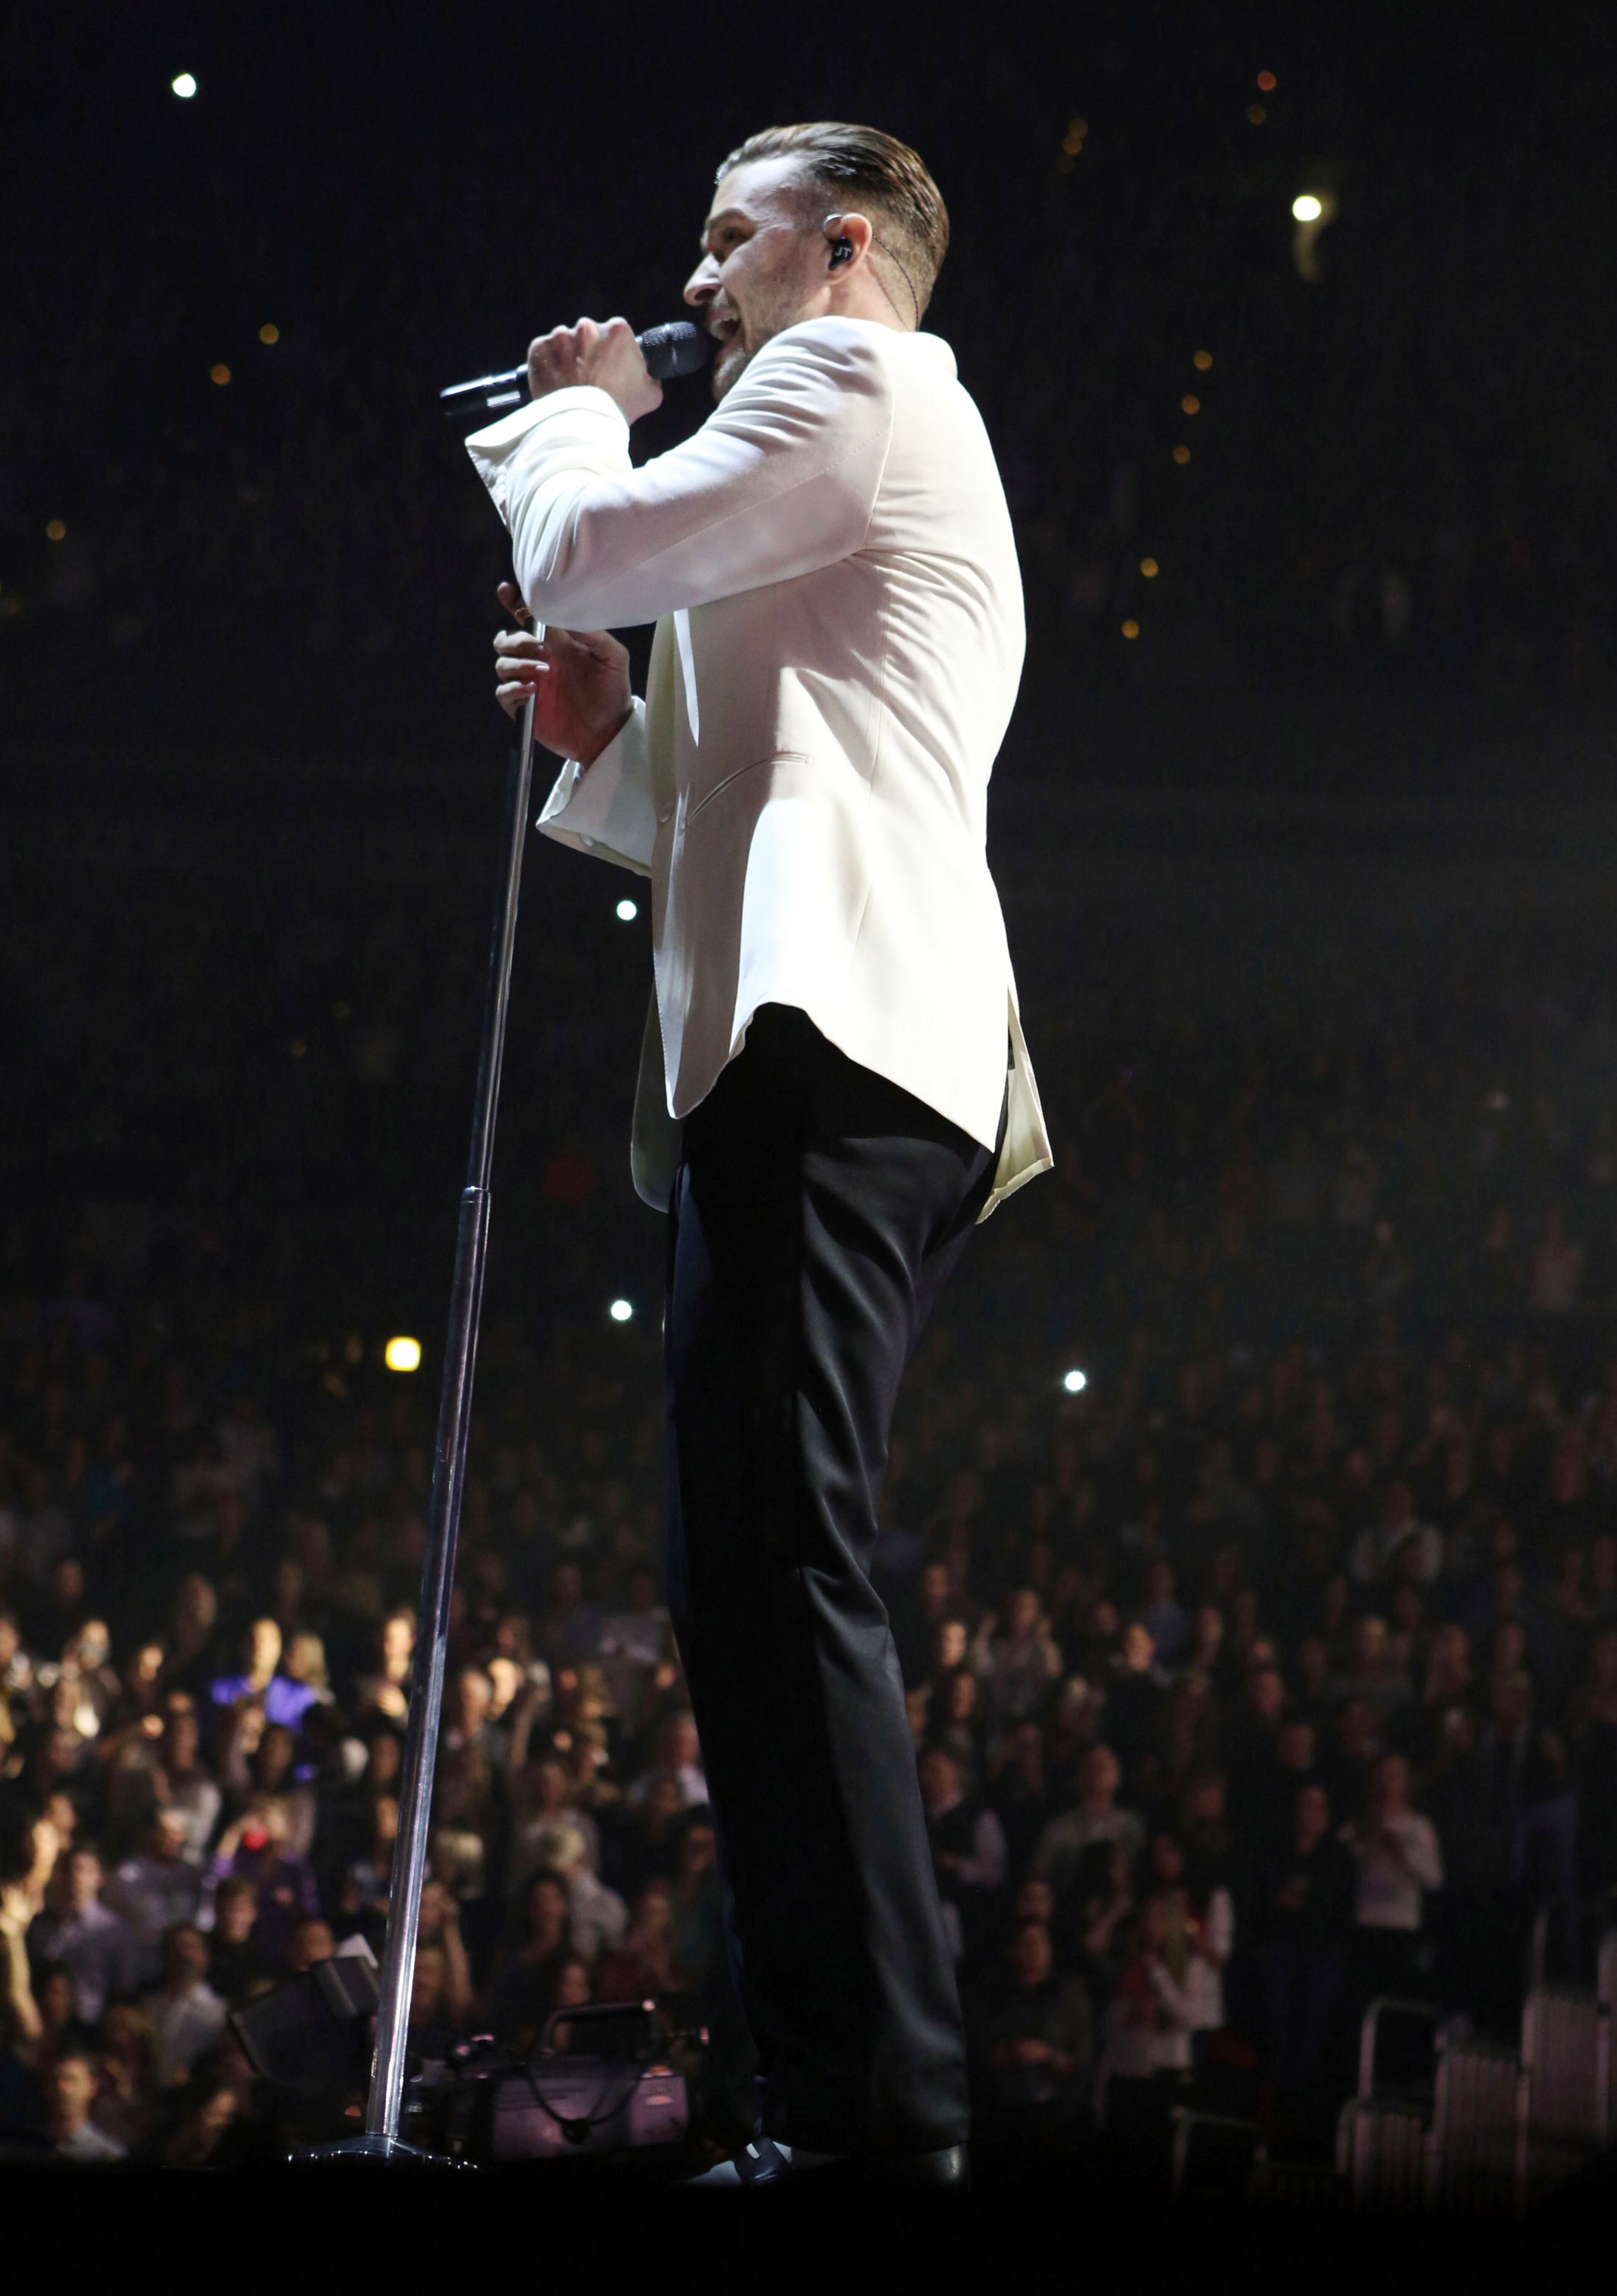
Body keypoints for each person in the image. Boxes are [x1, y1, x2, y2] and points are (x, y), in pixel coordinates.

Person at [479, 127, 1049, 2186]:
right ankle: (825, 2093)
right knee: (737, 1576)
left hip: (841, 1044)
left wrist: (575, 411)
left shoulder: (857, 374)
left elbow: (580, 549)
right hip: (807, 1046)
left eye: (733, 235)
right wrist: (613, 747)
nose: (699, 275)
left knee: (784, 1565)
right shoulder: (838, 429)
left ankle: (883, 2112)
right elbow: (783, 765)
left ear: (842, 246)